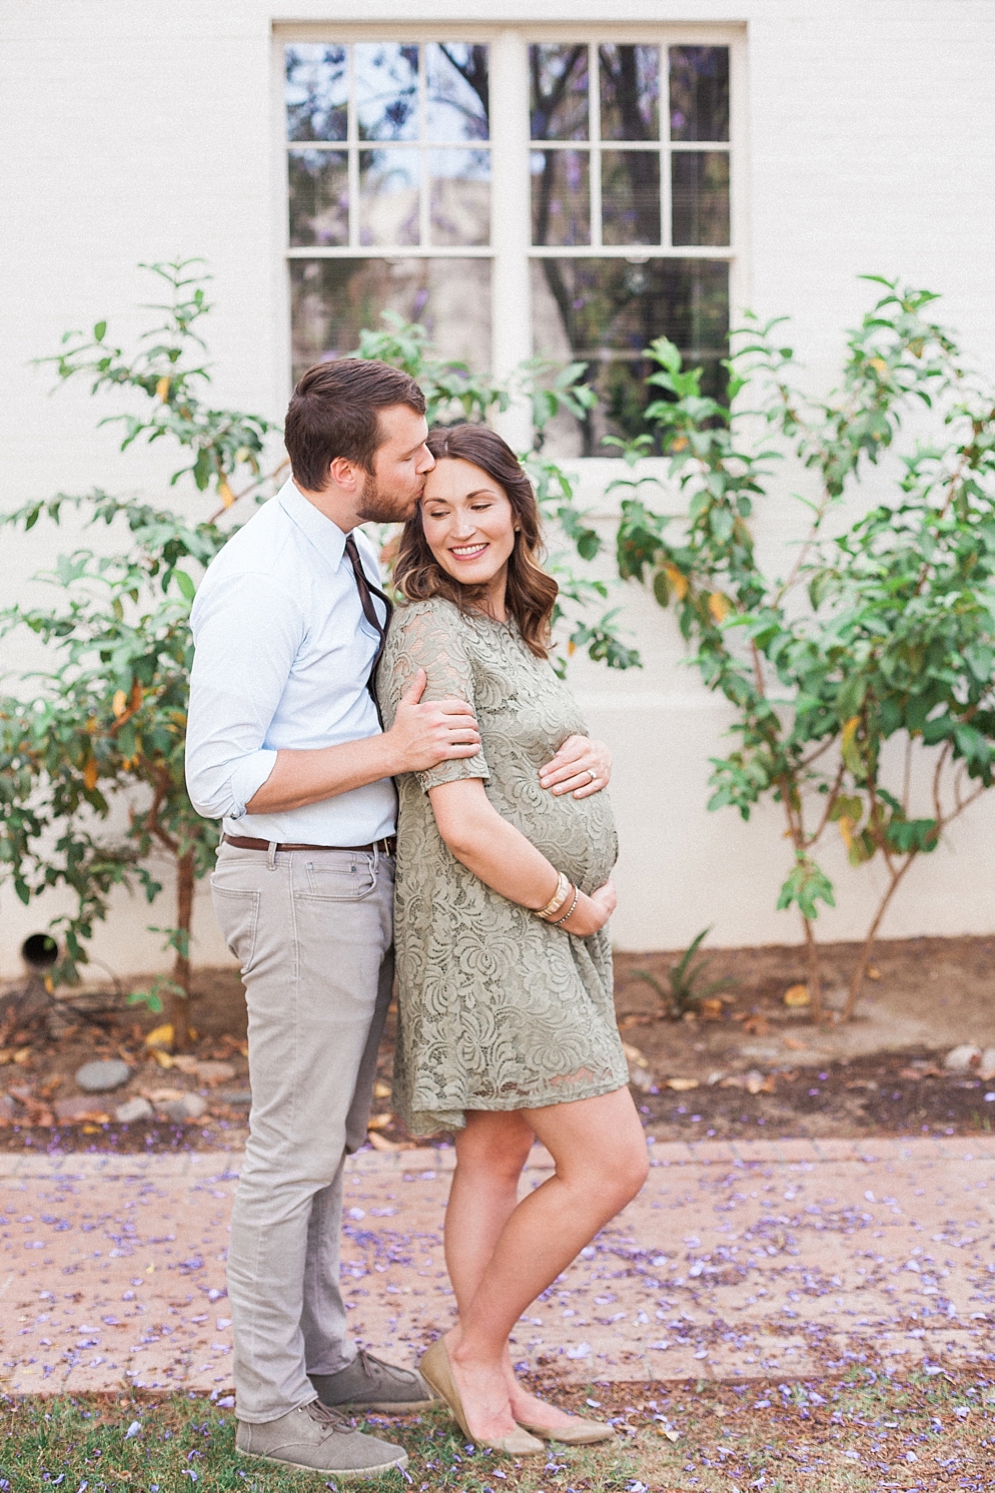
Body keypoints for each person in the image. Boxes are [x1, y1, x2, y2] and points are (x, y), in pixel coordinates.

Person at [184, 359, 612, 1478]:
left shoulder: (346, 559)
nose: (428, 472)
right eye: (411, 458)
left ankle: (323, 1358)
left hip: (360, 878)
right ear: (346, 470)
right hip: (295, 878)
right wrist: (395, 752)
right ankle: (272, 1405)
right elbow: (217, 773)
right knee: (290, 1151)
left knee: (324, 1143)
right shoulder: (262, 578)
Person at [378, 424, 649, 1456]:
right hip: (499, 927)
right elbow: (461, 816)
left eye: (476, 503)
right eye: (433, 510)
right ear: (415, 525)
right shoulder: (433, 630)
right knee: (610, 1161)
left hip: (534, 923)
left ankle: (492, 1370)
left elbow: (528, 750)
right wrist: (572, 902)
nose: (456, 527)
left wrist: (589, 744)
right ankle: (472, 1349)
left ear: (516, 508)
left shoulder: (511, 625)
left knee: (496, 1151)